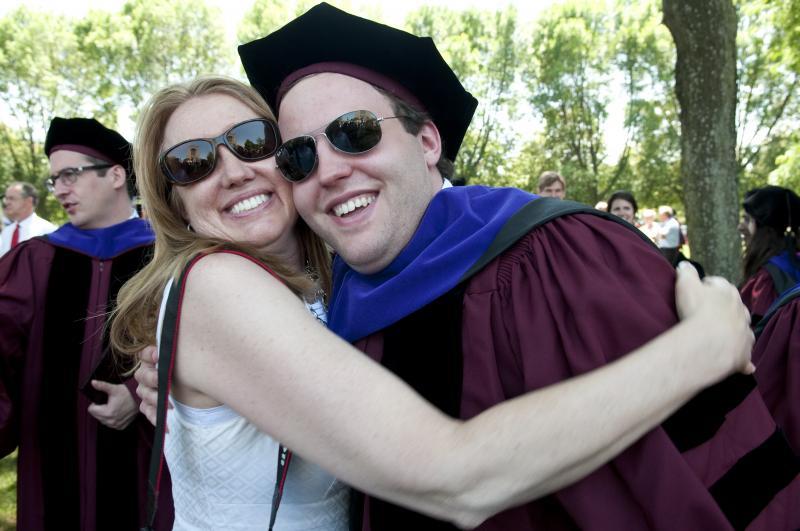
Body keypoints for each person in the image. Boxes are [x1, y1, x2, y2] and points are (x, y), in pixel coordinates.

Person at [235, 4, 798, 528]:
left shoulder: (564, 255)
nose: (328, 170)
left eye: (354, 132)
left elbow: (717, 473)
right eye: (298, 156)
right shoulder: (334, 316)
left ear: (427, 141)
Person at [119, 75, 760, 530]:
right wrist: (704, 348)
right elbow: (456, 475)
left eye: (256, 141)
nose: (231, 170)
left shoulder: (333, 295)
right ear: (170, 199)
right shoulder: (217, 285)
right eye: (191, 162)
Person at [0, 118, 172, 530]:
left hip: (141, 459)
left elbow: (199, 347)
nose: (58, 189)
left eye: (70, 175)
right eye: (55, 178)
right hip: (50, 461)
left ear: (115, 175)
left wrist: (138, 392)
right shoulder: (34, 261)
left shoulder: (167, 257)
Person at [738, 185, 800, 323]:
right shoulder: (792, 261)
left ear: (763, 228)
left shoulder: (767, 280)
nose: (741, 226)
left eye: (748, 220)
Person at [0, 181, 56, 257]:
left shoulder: (47, 231)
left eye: (11, 198)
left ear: (28, 201)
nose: (7, 202)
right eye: (6, 198)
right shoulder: (6, 232)